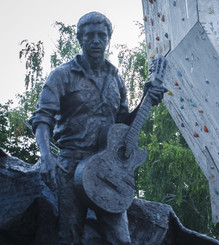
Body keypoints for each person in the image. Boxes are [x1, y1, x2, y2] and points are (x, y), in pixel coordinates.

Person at [30, 12, 166, 244]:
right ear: (80, 38)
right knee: (69, 236)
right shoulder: (62, 75)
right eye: (89, 35)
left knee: (121, 239)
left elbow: (123, 126)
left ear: (108, 39)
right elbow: (43, 117)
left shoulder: (116, 80)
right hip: (70, 166)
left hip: (107, 170)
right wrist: (45, 155)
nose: (95, 40)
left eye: (101, 35)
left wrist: (146, 100)